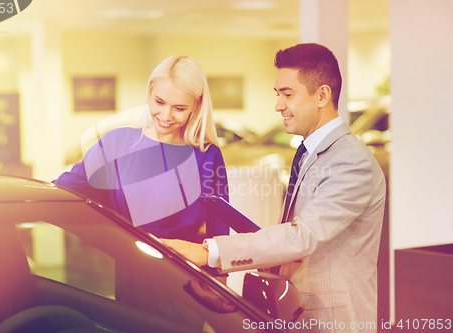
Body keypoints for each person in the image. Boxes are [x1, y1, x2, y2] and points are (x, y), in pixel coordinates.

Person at [163, 43, 386, 332]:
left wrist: (209, 252)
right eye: (278, 94)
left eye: (287, 94)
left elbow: (303, 236)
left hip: (332, 322)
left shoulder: (352, 162)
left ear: (321, 95)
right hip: (299, 315)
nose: (279, 105)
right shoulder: (310, 152)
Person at [55, 55, 229, 244]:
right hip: (126, 265)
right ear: (150, 92)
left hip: (182, 270)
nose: (166, 115)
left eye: (179, 108)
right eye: (159, 102)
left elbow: (219, 232)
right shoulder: (115, 143)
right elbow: (61, 191)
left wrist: (219, 272)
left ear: (196, 105)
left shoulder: (207, 156)